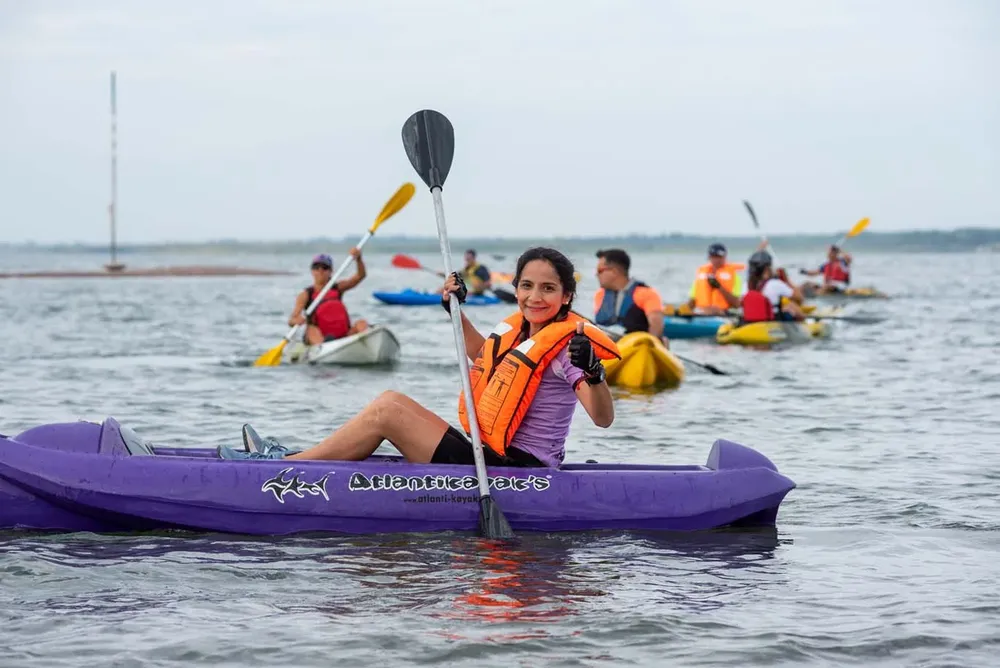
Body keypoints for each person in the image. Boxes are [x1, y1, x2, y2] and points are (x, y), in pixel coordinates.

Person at [219, 247, 619, 468]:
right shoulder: (521, 331)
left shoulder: (569, 347)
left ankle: (285, 468)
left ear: (566, 296)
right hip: (487, 456)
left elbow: (602, 418)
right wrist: (454, 310)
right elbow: (484, 355)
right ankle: (293, 457)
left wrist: (593, 371)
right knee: (390, 402)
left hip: (518, 472)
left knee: (388, 412)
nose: (535, 296)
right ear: (515, 289)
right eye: (527, 286)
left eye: (548, 288)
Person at [288, 251, 368, 346]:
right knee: (311, 329)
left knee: (361, 323)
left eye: (325, 267)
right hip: (319, 339)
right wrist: (296, 320)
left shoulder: (338, 288)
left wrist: (359, 259)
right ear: (312, 271)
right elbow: (292, 320)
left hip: (344, 336)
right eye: (316, 267)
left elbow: (360, 276)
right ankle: (323, 346)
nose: (320, 270)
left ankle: (368, 343)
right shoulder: (306, 295)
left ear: (330, 271)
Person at [593, 248, 668, 344]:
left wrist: (649, 344)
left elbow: (656, 326)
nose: (596, 275)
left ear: (614, 271)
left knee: (664, 341)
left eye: (600, 271)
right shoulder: (600, 295)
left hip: (637, 348)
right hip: (608, 348)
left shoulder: (646, 293)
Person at [740, 250, 807, 322]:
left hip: (749, 320)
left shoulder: (745, 285)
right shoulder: (775, 284)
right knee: (792, 306)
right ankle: (802, 326)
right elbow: (800, 298)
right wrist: (787, 280)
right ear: (767, 269)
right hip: (772, 320)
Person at [685, 243, 744, 315]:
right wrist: (684, 311)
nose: (716, 260)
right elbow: (693, 300)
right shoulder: (702, 275)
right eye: (713, 257)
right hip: (702, 313)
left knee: (715, 310)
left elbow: (736, 304)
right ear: (709, 257)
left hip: (724, 314)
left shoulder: (734, 277)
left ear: (725, 257)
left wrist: (719, 286)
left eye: (719, 257)